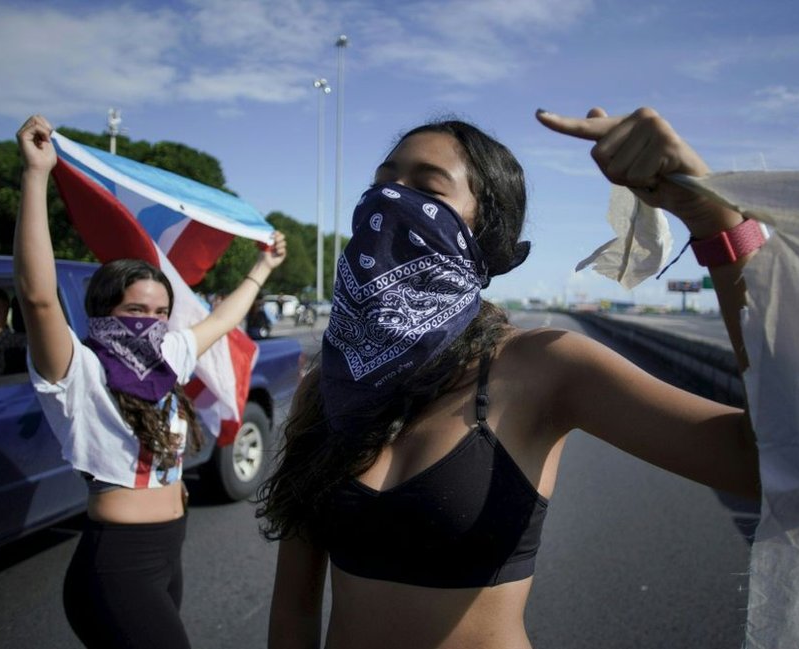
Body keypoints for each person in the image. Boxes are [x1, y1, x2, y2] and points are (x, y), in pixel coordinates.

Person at [256, 106, 762, 649]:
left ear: (485, 229)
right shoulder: (327, 386)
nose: (390, 199)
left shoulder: (544, 364)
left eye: (428, 188)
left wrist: (717, 224)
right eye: (382, 183)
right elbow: (294, 610)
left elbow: (759, 459)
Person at [13, 114, 287, 649]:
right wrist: (36, 174)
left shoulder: (168, 358)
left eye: (161, 312)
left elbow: (222, 320)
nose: (151, 323)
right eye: (135, 310)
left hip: (168, 550)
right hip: (116, 565)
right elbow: (38, 297)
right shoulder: (78, 368)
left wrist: (263, 267)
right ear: (103, 310)